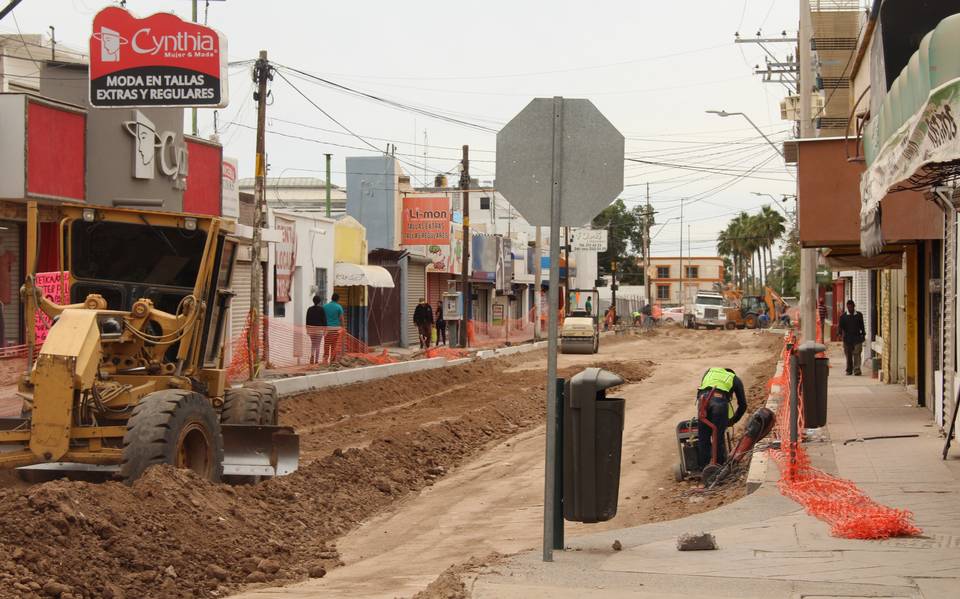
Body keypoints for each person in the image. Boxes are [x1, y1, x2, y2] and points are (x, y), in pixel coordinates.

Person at [696, 367, 747, 468]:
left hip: (703, 401)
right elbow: (743, 405)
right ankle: (719, 466)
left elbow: (703, 388)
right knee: (718, 438)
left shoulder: (709, 371)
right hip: (719, 404)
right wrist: (732, 420)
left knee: (703, 437)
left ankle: (703, 467)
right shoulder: (734, 378)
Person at [838, 299, 866, 376]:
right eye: (848, 307)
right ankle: (849, 370)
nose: (850, 309)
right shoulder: (843, 317)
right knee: (848, 355)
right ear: (847, 307)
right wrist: (840, 334)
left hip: (857, 338)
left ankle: (857, 370)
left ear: (854, 306)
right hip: (847, 339)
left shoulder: (859, 315)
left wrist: (863, 335)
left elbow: (862, 326)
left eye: (851, 307)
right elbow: (840, 327)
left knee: (857, 354)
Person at [322, 293, 345, 364]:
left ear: (331, 298)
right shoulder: (339, 307)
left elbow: (322, 317)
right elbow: (341, 319)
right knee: (334, 344)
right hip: (335, 329)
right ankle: (333, 360)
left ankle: (325, 359)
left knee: (326, 343)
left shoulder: (324, 306)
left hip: (327, 328)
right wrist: (343, 327)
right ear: (338, 299)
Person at [305, 295, 326, 365]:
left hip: (311, 329)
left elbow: (307, 320)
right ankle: (316, 360)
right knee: (318, 345)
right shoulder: (322, 309)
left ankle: (312, 355)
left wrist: (307, 329)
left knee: (313, 344)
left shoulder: (309, 309)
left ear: (313, 301)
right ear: (320, 301)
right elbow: (324, 320)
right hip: (319, 329)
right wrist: (325, 330)